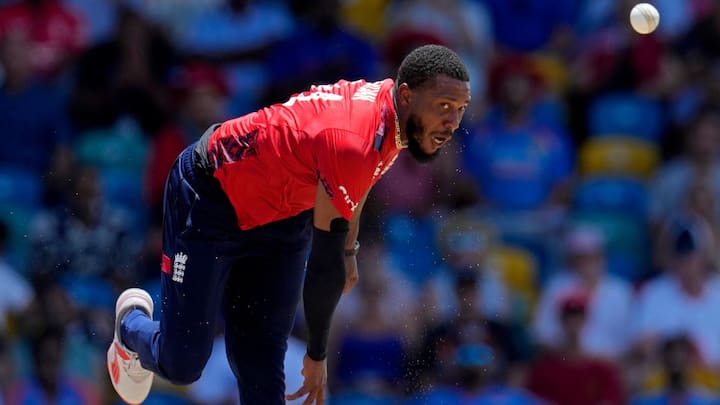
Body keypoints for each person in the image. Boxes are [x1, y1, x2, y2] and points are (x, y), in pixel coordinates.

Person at [106, 44, 471, 405]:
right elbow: (323, 270)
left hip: (284, 217)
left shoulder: (390, 110)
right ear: (407, 95)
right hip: (211, 197)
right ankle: (131, 325)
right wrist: (316, 356)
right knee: (181, 363)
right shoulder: (355, 139)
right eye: (443, 108)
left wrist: (350, 249)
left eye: (459, 110)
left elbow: (355, 182)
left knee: (263, 374)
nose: (453, 123)